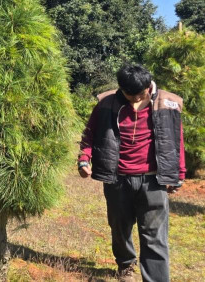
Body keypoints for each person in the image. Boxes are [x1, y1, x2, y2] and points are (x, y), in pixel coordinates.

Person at [78, 64, 185, 282]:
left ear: (148, 86)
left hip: (153, 181)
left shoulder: (167, 103)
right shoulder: (107, 103)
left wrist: (179, 173)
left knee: (155, 236)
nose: (135, 100)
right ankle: (126, 264)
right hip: (117, 178)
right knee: (120, 228)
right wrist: (83, 159)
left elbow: (177, 140)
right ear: (121, 89)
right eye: (129, 95)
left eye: (139, 94)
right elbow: (90, 133)